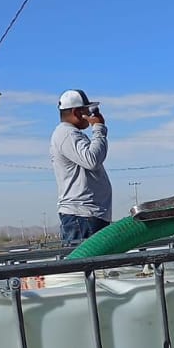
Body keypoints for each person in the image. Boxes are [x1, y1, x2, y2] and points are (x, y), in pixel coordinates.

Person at [50, 89, 112, 243]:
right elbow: (92, 160)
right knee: (87, 258)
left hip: (87, 215)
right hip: (82, 217)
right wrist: (98, 129)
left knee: (95, 259)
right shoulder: (67, 135)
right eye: (87, 110)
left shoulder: (70, 134)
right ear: (77, 113)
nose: (90, 115)